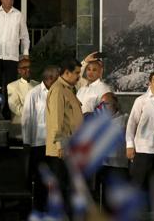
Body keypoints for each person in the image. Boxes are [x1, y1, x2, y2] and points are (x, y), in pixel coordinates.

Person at [45, 58, 83, 212]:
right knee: (62, 188)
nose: (79, 77)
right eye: (76, 73)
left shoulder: (68, 88)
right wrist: (60, 145)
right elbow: (56, 120)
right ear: (66, 73)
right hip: (62, 150)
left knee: (68, 188)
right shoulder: (59, 90)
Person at [21, 65, 59, 212]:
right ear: (49, 79)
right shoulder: (34, 93)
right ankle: (39, 209)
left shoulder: (60, 93)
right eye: (57, 78)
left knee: (55, 179)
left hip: (56, 144)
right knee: (40, 179)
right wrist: (27, 142)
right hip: (39, 143)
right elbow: (27, 119)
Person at [126, 71, 154, 190]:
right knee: (140, 184)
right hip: (143, 149)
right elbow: (132, 123)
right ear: (149, 83)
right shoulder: (141, 100)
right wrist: (129, 145)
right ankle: (140, 209)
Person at [7, 58, 38, 142]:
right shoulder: (12, 86)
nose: (28, 69)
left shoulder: (37, 84)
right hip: (20, 127)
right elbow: (15, 107)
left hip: (37, 128)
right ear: (19, 71)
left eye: (29, 67)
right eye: (24, 68)